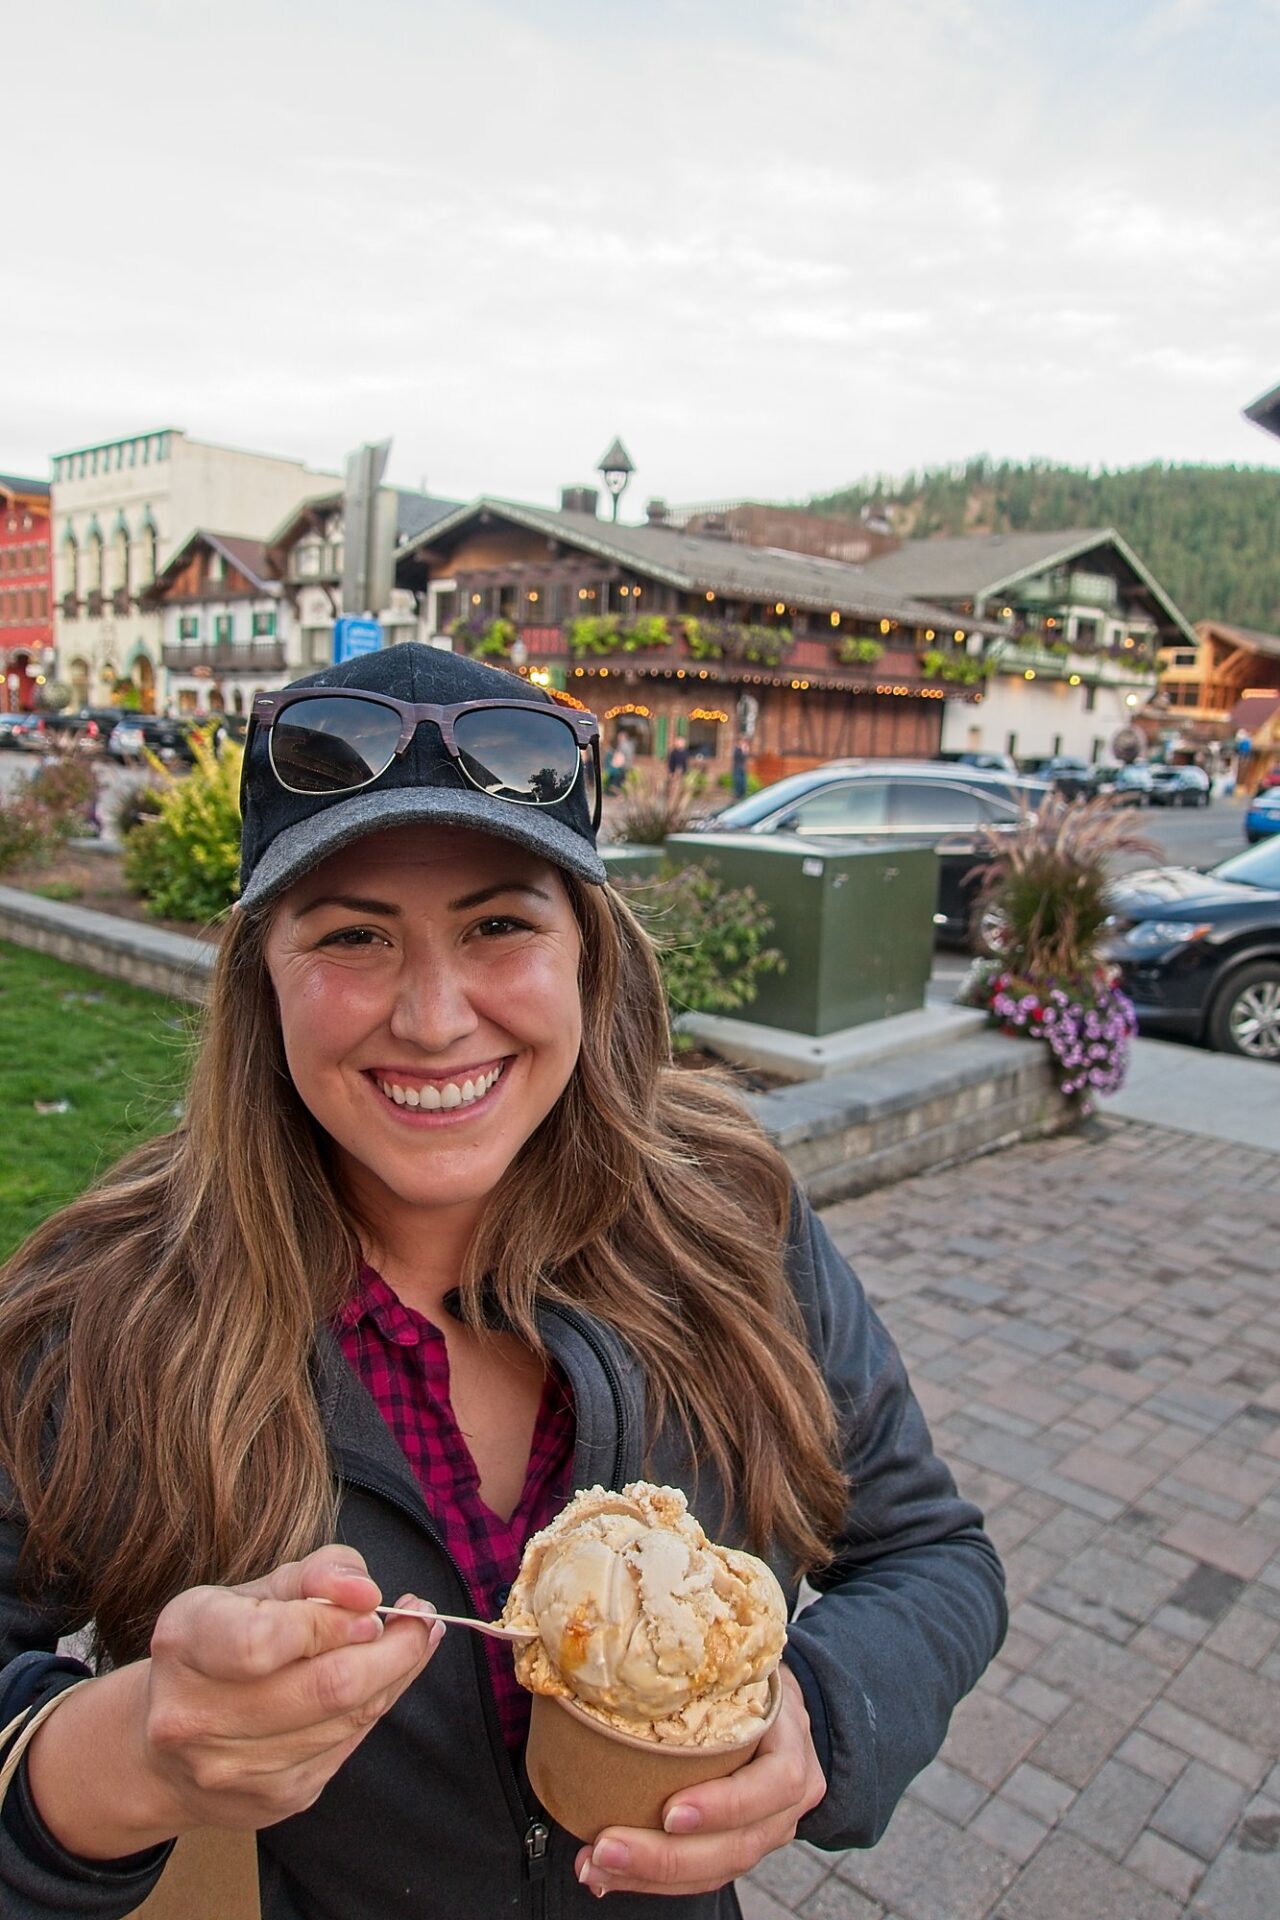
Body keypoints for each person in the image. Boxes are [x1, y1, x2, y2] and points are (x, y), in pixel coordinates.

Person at [0, 644, 1005, 1919]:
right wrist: (120, 1760)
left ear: (587, 952)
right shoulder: (108, 1304)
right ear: (263, 976)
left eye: (498, 925)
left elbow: (930, 1557)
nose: (432, 1017)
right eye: (353, 934)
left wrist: (815, 1716)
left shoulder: (732, 1216)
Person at [731, 734, 750, 801]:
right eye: (742, 740)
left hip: (742, 767)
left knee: (743, 782)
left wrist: (745, 751)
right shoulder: (736, 749)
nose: (743, 742)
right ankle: (738, 795)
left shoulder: (744, 749)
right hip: (737, 767)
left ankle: (742, 795)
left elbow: (745, 758)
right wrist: (743, 750)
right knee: (738, 781)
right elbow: (737, 757)